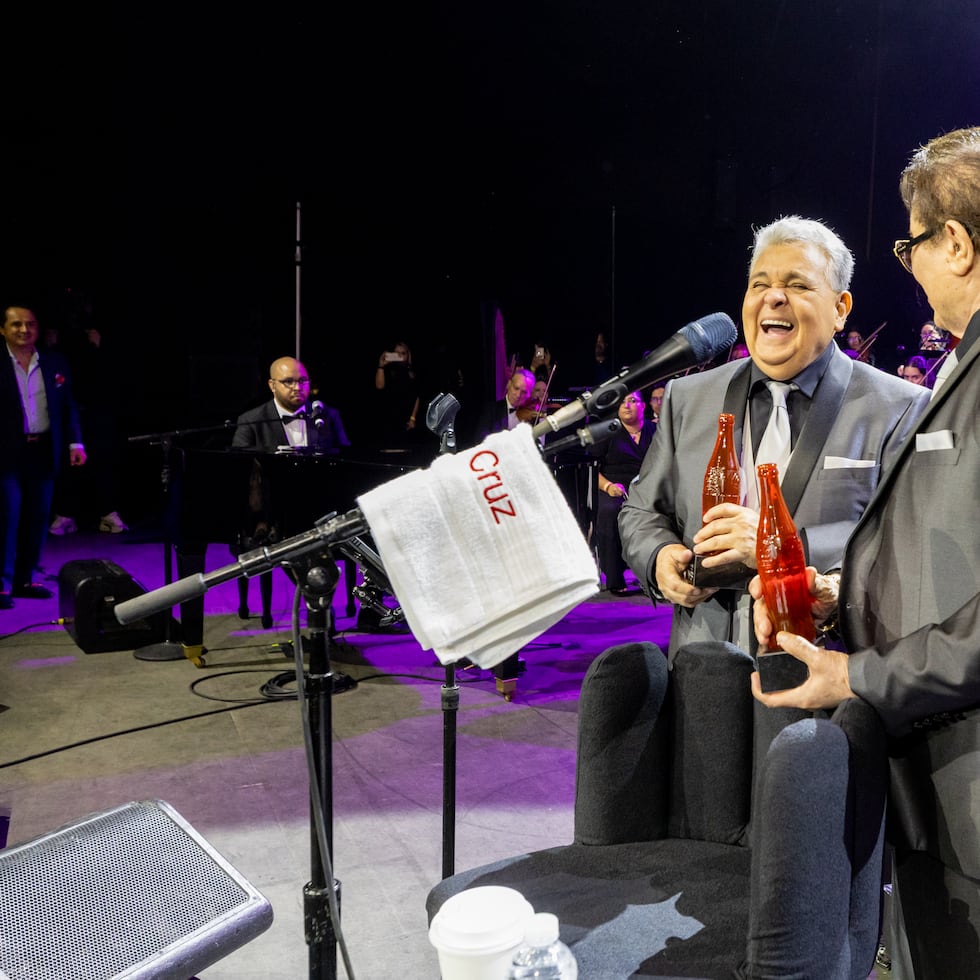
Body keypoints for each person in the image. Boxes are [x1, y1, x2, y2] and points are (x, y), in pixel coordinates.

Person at [748, 126, 980, 980]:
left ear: (953, 243)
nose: (909, 265)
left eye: (911, 244)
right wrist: (836, 594)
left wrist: (855, 676)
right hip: (936, 789)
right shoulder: (964, 365)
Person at [618, 215, 931, 666]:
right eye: (758, 283)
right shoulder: (688, 398)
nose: (774, 296)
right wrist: (658, 557)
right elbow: (642, 510)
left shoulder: (900, 407)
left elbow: (905, 540)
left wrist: (774, 545)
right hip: (702, 672)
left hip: (827, 669)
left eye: (799, 285)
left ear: (841, 308)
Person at [0, 303, 86, 607]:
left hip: (43, 448)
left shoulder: (53, 361)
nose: (24, 330)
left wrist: (76, 443)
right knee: (7, 515)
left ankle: (26, 579)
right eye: (16, 325)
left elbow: (68, 405)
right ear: (3, 330)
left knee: (37, 517)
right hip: (6, 453)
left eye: (30, 324)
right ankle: (2, 583)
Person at [590, 391, 654, 594]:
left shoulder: (656, 430)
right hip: (613, 488)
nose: (627, 405)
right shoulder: (609, 431)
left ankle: (652, 577)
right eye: (622, 402)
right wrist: (608, 486)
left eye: (633, 400)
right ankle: (615, 578)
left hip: (647, 487)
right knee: (609, 512)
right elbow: (592, 468)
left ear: (643, 406)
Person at [233, 356, 349, 453]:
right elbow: (241, 464)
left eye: (303, 381)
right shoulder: (251, 420)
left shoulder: (329, 416)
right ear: (272, 385)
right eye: (288, 382)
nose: (298, 388)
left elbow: (346, 456)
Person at [373, 341, 420, 448]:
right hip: (388, 416)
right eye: (396, 353)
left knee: (406, 449)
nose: (399, 356)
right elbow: (379, 386)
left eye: (403, 353)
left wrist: (413, 418)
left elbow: (417, 396)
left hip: (406, 419)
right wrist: (381, 366)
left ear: (408, 355)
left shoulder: (413, 372)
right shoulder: (388, 369)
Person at [475, 367, 535, 441]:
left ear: (529, 395)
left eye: (524, 392)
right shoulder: (491, 410)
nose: (518, 395)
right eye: (516, 388)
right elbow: (480, 441)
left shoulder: (531, 417)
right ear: (509, 384)